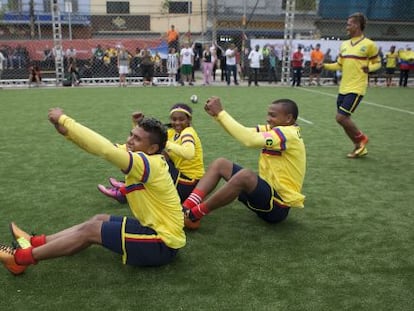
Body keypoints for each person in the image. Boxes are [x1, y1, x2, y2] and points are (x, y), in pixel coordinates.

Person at [0, 109, 185, 275]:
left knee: (91, 230)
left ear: (152, 148)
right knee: (99, 219)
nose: (129, 140)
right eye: (131, 134)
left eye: (137, 139)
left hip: (163, 243)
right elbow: (98, 147)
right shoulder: (145, 158)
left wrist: (65, 120)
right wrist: (69, 134)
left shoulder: (150, 163)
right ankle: (36, 241)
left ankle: (20, 260)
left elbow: (104, 150)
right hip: (154, 229)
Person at [182, 97, 306, 230]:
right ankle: (186, 207)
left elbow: (249, 140)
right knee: (221, 164)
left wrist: (221, 113)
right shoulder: (276, 129)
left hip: (277, 208)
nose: (268, 118)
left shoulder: (287, 134)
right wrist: (218, 116)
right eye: (268, 114)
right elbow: (245, 132)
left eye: (273, 115)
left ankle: (193, 215)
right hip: (265, 198)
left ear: (288, 118)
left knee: (246, 175)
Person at [99, 103, 205, 203]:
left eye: (181, 119)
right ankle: (127, 186)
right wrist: (137, 124)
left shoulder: (188, 132)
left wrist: (166, 143)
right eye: (174, 119)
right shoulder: (173, 132)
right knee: (152, 152)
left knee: (152, 161)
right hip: (179, 177)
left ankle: (125, 193)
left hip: (189, 184)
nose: (177, 122)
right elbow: (146, 143)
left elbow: (189, 153)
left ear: (189, 119)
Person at [319, 12, 381, 158]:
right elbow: (339, 65)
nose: (346, 26)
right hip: (343, 88)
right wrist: (325, 66)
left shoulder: (369, 45)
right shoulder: (344, 45)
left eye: (349, 24)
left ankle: (362, 138)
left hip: (357, 88)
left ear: (357, 25)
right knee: (343, 120)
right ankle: (359, 147)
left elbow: (377, 63)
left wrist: (370, 69)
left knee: (341, 117)